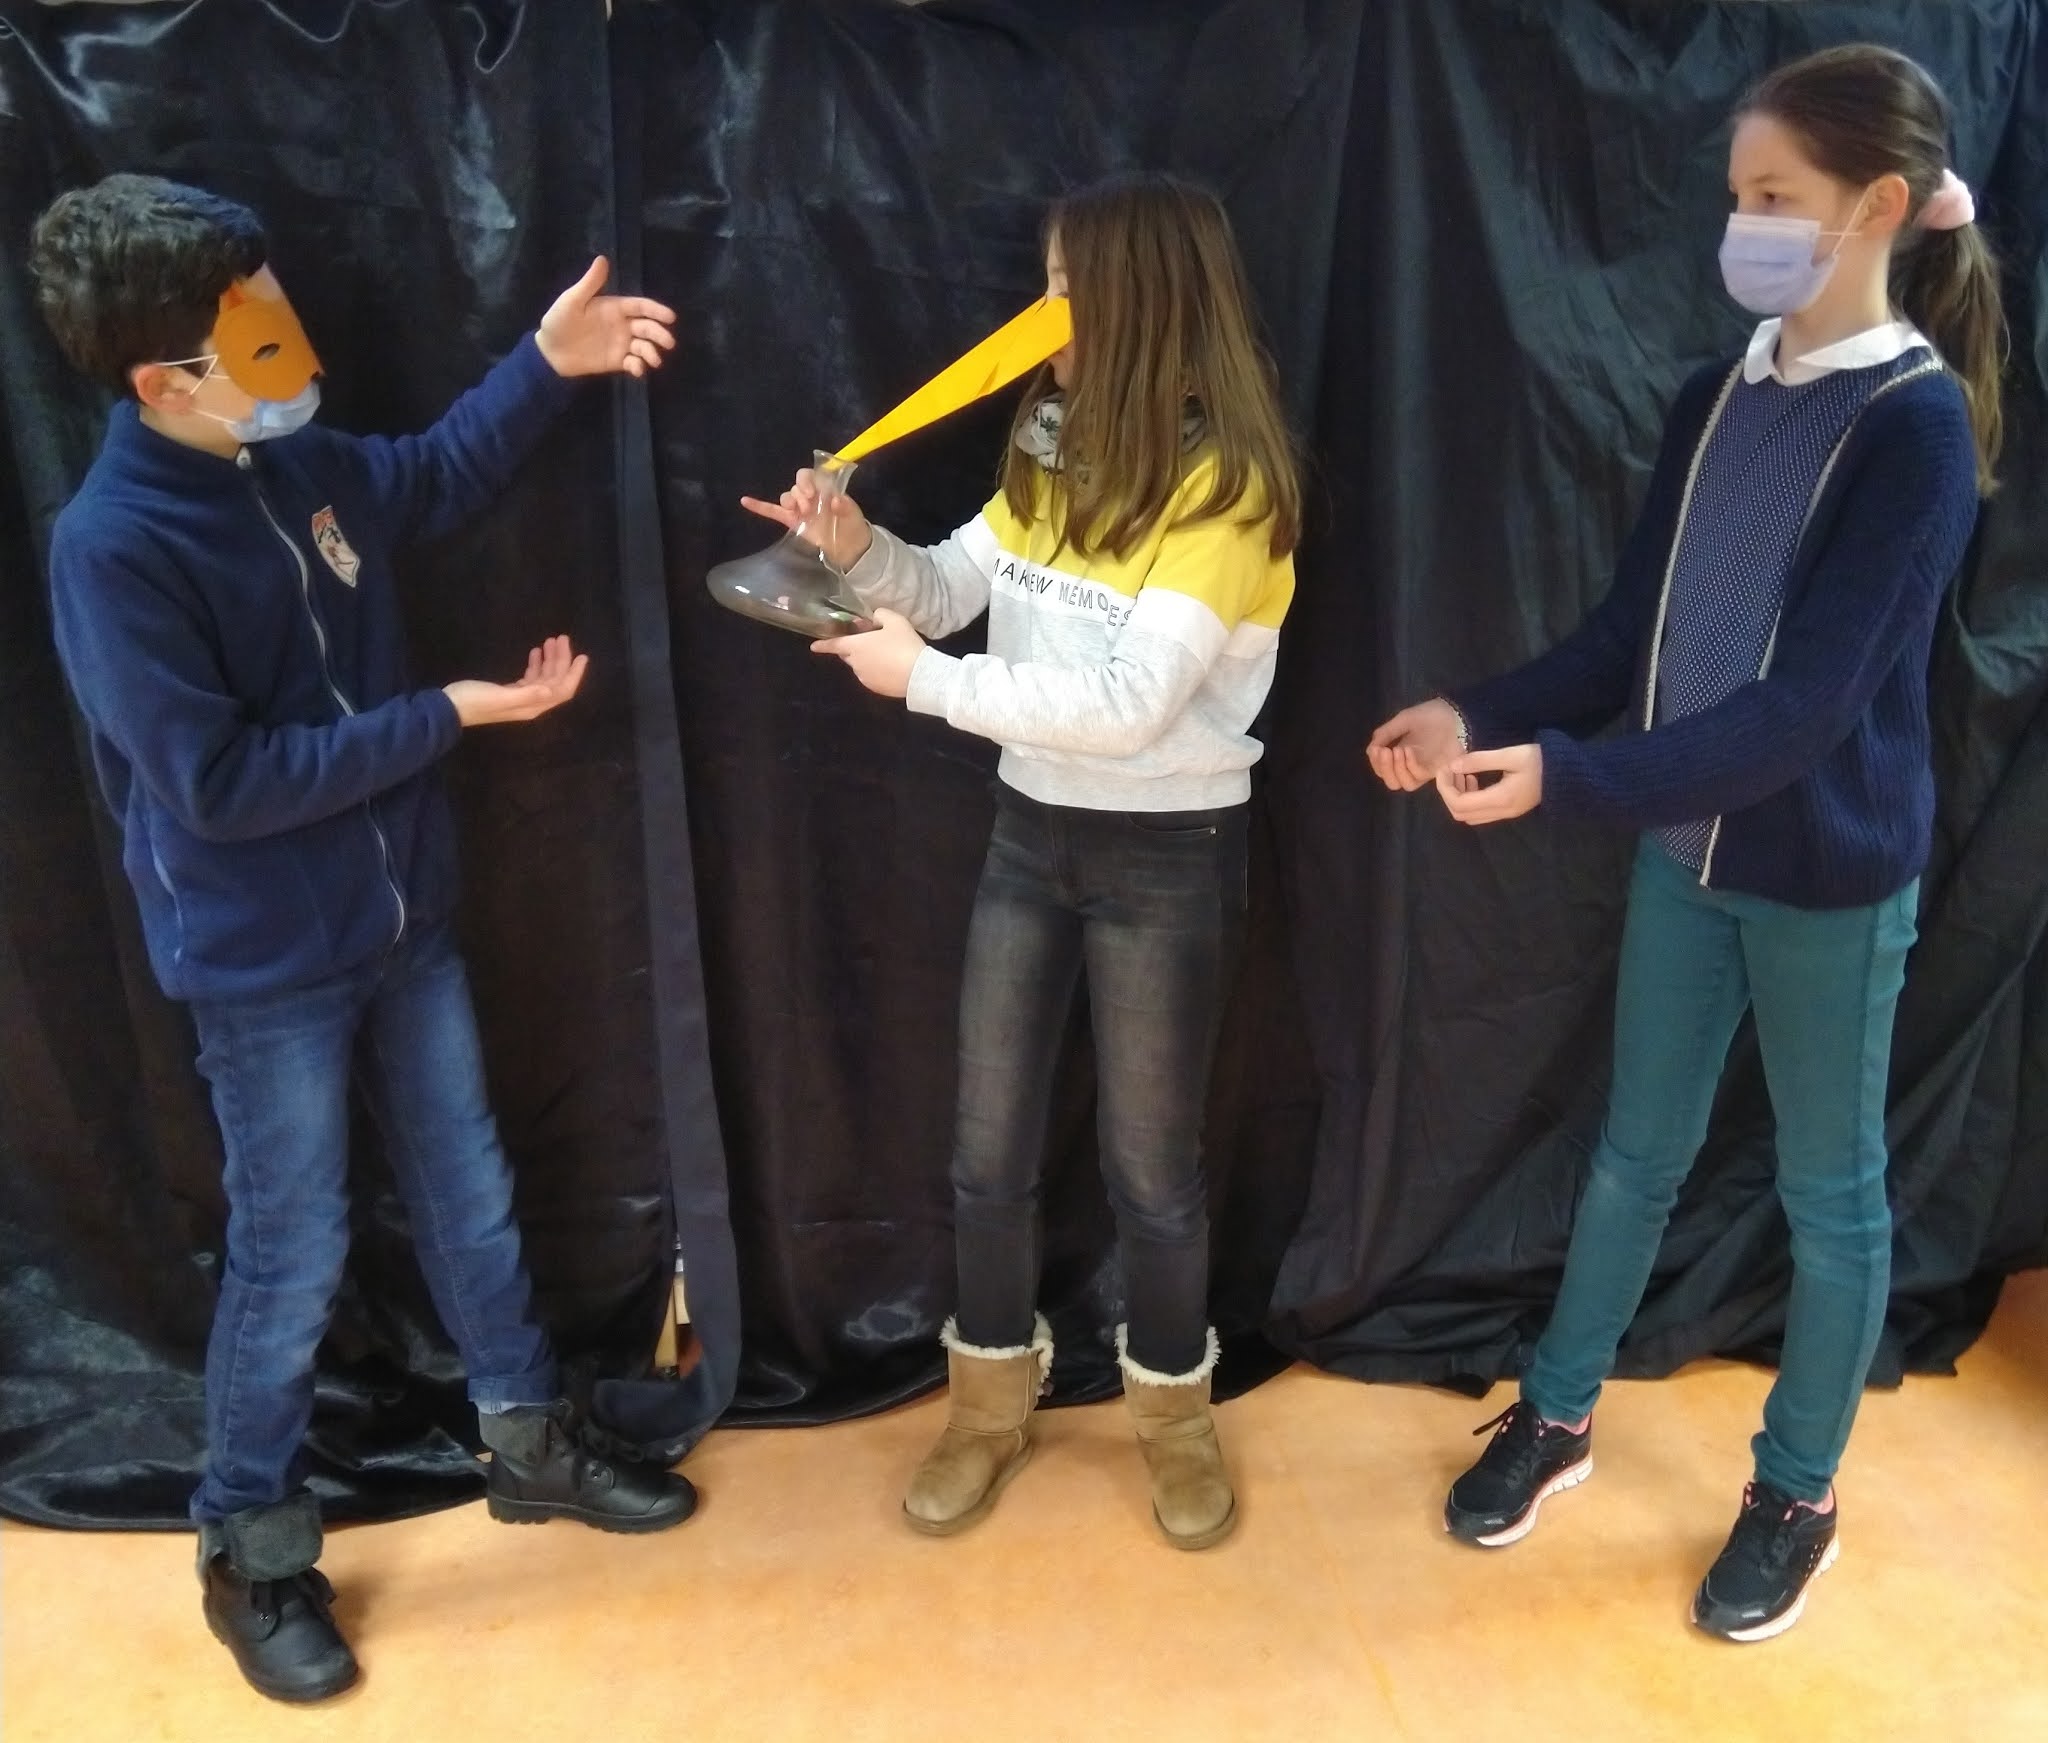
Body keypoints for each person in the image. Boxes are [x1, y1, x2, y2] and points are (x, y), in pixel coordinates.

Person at [1367, 44, 2002, 1641]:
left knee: (1831, 1195)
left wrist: (1570, 781)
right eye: (1738, 197)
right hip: (1686, 859)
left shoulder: (1917, 431)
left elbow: (1805, 715)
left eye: (1774, 196)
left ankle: (1799, 1490)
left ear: (1874, 206)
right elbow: (1622, 640)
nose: (1744, 227)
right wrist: (1472, 711)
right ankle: (1557, 1411)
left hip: (1826, 884)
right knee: (1632, 1157)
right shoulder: (1715, 399)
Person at [30, 173, 691, 1704]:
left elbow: (427, 477)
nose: (299, 357)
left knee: (471, 1191)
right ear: (163, 382)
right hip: (267, 968)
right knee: (294, 1251)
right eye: (257, 344)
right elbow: (219, 787)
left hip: (405, 925)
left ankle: (526, 1441)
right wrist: (446, 714)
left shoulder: (296, 466)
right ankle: (251, 1548)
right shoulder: (112, 549)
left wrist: (545, 362)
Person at [744, 174, 1300, 1550]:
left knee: (1152, 1172)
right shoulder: (1054, 447)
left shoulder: (1228, 492)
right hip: (1030, 837)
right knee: (985, 1155)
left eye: (1064, 287)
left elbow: (1129, 710)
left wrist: (924, 684)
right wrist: (855, 546)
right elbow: (947, 589)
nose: (1039, 313)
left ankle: (1173, 1418)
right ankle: (988, 1405)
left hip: (1169, 857)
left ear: (1141, 300)